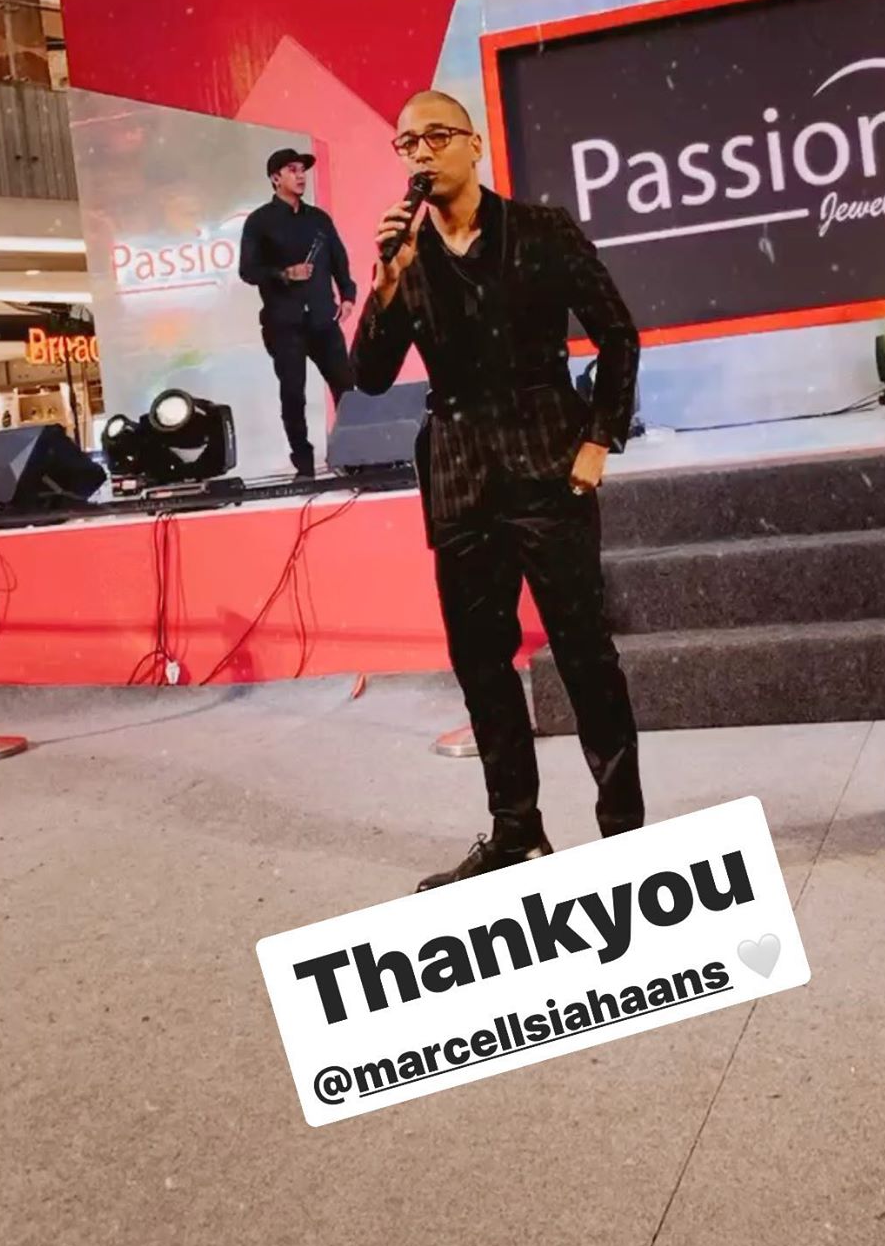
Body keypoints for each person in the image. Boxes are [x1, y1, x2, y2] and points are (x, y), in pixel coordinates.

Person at [350, 89, 645, 891]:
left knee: (585, 656)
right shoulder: (406, 255)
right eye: (407, 142)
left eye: (436, 136)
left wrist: (599, 438)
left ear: (473, 144)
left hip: (549, 467)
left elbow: (618, 335)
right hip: (459, 479)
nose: (421, 152)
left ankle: (624, 834)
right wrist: (385, 285)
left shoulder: (543, 230)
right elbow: (368, 376)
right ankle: (518, 834)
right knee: (481, 664)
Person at [240, 147, 356, 479]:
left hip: (322, 318)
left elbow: (338, 259)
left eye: (302, 169)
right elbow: (248, 270)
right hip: (284, 323)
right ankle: (303, 464)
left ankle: (355, 455)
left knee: (346, 388)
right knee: (293, 394)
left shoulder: (319, 219)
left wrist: (347, 295)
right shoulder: (259, 222)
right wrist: (284, 274)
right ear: (275, 178)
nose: (301, 175)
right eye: (292, 170)